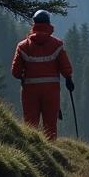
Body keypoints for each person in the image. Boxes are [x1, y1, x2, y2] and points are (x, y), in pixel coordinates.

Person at [10, 9, 74, 141]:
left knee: (30, 125)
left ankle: (32, 151)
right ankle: (51, 153)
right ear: (48, 24)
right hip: (51, 91)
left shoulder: (22, 46)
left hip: (30, 90)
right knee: (50, 125)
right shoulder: (57, 45)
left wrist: (23, 76)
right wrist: (68, 79)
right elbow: (65, 67)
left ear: (34, 24)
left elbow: (15, 72)